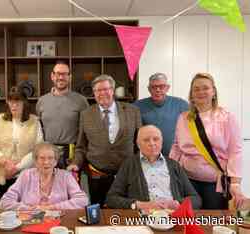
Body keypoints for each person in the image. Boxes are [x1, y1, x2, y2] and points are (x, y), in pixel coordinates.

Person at [169, 72, 245, 209]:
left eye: (205, 88)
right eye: (196, 89)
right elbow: (176, 147)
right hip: (186, 182)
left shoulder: (226, 117)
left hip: (214, 184)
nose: (200, 92)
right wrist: (169, 172)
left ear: (213, 92)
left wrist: (235, 183)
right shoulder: (184, 117)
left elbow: (235, 151)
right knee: (187, 220)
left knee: (212, 221)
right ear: (191, 95)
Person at [67, 74, 141, 207]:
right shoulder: (86, 114)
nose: (102, 93)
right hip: (97, 175)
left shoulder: (132, 111)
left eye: (106, 89)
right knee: (98, 212)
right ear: (94, 93)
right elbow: (81, 146)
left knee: (126, 210)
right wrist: (76, 164)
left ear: (112, 90)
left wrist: (138, 165)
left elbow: (140, 142)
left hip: (126, 175)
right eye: (97, 90)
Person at [106, 125, 201, 210]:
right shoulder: (129, 165)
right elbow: (111, 199)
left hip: (173, 218)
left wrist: (177, 203)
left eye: (156, 139)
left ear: (162, 141)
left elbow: (196, 199)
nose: (152, 143)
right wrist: (140, 205)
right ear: (138, 144)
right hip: (142, 219)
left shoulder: (174, 165)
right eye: (146, 140)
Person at [0, 87, 44, 199]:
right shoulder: (0, 120)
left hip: (26, 175)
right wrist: (6, 163)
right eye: (11, 101)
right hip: (4, 175)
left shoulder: (34, 122)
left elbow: (38, 149)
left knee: (26, 211)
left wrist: (17, 167)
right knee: (6, 211)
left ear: (24, 103)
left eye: (17, 101)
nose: (14, 105)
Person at [0, 142, 88, 210]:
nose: (46, 162)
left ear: (56, 161)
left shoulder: (65, 176)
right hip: (30, 220)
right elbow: (5, 201)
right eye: (42, 158)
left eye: (50, 158)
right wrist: (29, 209)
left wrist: (53, 207)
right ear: (35, 161)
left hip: (59, 222)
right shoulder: (26, 175)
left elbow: (82, 200)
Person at [36, 61, 89, 168]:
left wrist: (78, 157)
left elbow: (86, 131)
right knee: (48, 184)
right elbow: (38, 129)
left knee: (69, 184)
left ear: (69, 77)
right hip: (47, 153)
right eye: (58, 74)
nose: (61, 77)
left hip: (71, 154)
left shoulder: (81, 101)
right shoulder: (41, 101)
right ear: (52, 76)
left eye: (64, 74)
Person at [134, 73, 188, 156]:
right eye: (154, 87)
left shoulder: (181, 105)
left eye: (161, 86)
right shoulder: (137, 106)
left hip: (175, 157)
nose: (158, 90)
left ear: (167, 88)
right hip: (148, 158)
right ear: (149, 89)